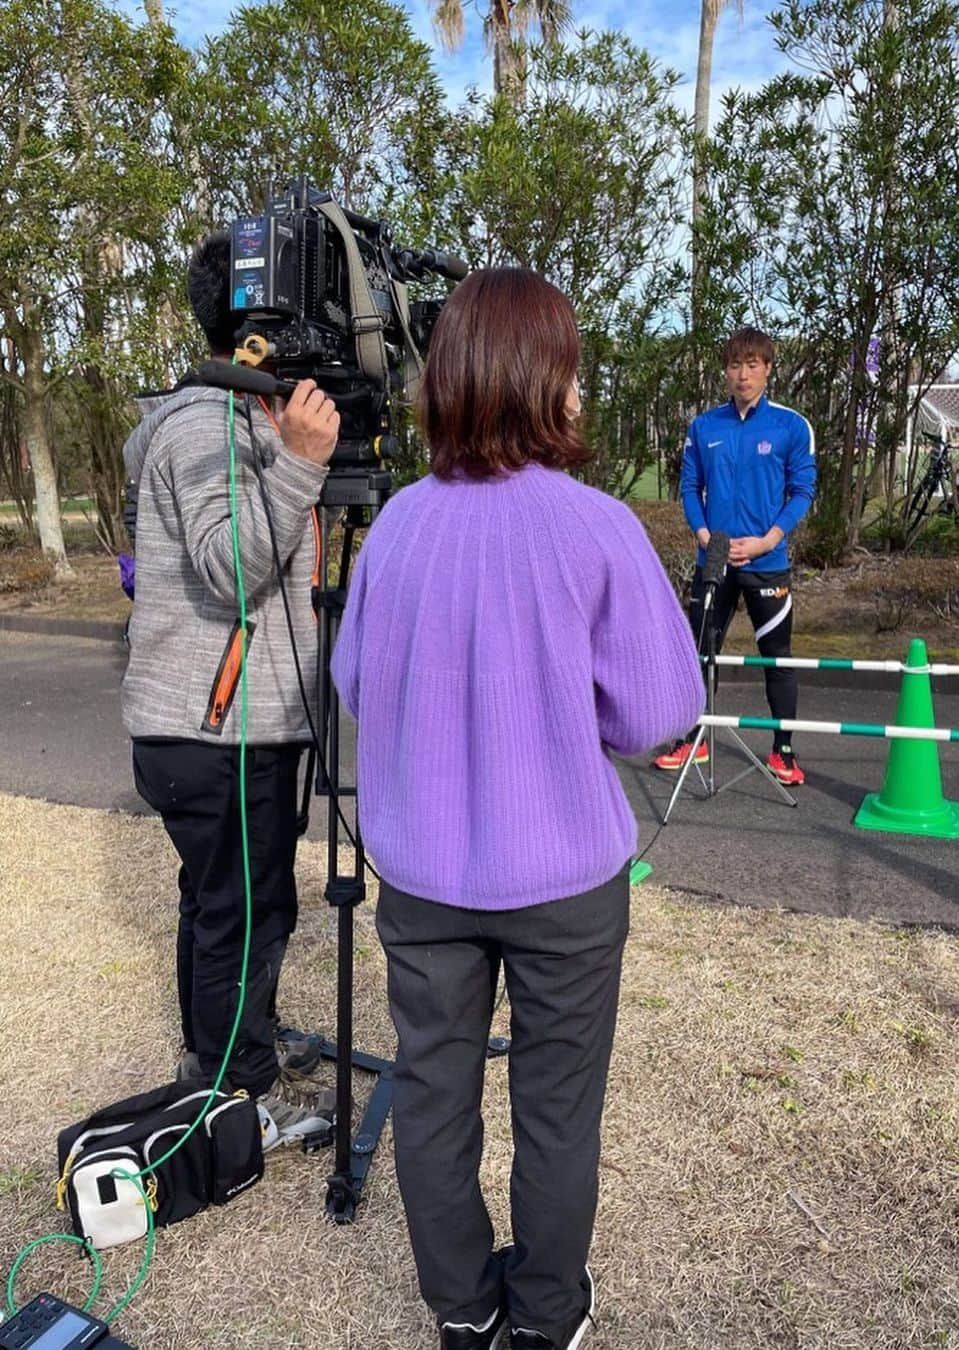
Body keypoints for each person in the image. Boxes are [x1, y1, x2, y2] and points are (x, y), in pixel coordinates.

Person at [331, 267, 703, 1350]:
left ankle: (459, 1305)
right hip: (568, 884)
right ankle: (545, 1316)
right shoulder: (596, 529)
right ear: (549, 381)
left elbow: (358, 683)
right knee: (557, 1110)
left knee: (432, 1095)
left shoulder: (396, 526)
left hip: (424, 880)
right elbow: (657, 712)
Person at [121, 231, 338, 1145]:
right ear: (254, 332)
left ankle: (222, 1050)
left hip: (223, 727)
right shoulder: (204, 423)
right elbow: (229, 567)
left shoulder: (231, 414)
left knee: (226, 906)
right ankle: (240, 1094)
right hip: (213, 731)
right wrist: (300, 463)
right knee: (241, 912)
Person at [653, 326, 816, 785]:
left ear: (767, 368)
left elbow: (802, 491)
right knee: (701, 652)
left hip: (767, 561)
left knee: (776, 657)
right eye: (734, 365)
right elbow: (689, 488)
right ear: (725, 370)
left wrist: (767, 540)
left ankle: (784, 750)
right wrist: (705, 536)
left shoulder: (790, 426)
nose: (742, 374)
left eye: (752, 365)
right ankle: (693, 738)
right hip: (715, 562)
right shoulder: (705, 426)